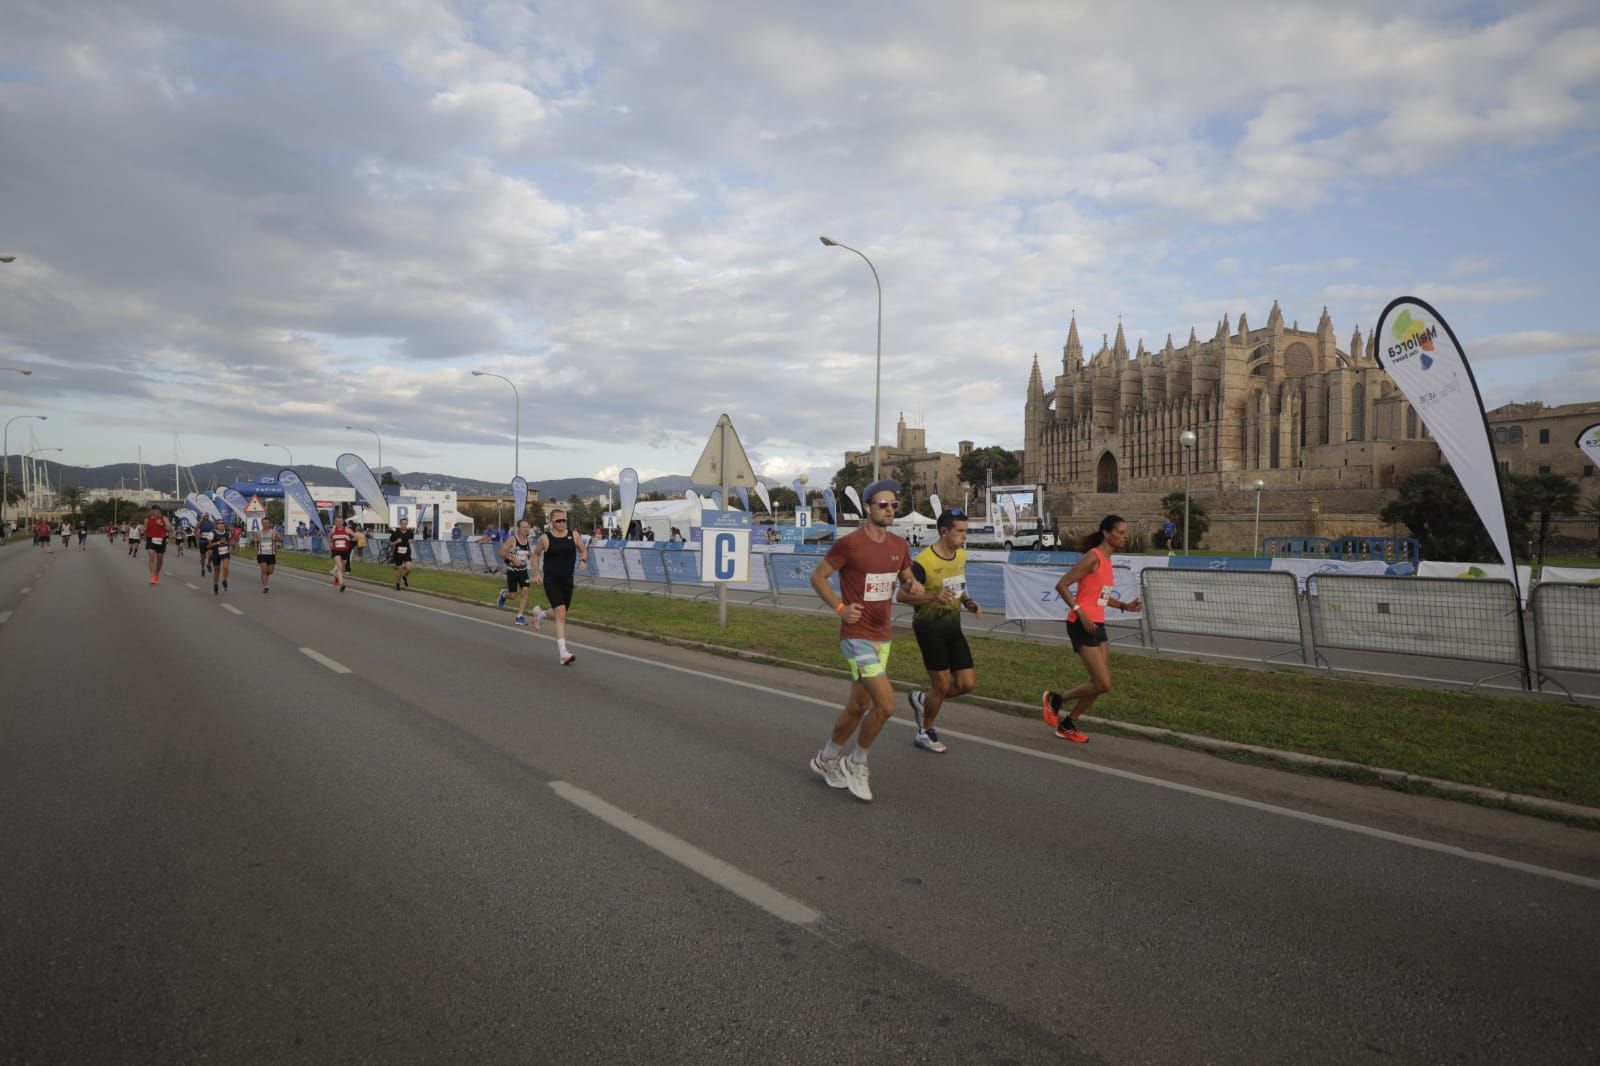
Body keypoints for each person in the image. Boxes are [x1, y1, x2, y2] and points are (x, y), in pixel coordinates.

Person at [806, 479, 923, 803]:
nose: (889, 509)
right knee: (886, 705)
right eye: (883, 504)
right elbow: (818, 577)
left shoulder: (899, 546)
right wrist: (840, 608)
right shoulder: (851, 544)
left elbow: (906, 582)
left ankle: (826, 759)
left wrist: (913, 588)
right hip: (856, 635)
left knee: (859, 706)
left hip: (882, 635)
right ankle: (855, 762)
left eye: (894, 505)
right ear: (868, 507)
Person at [1042, 514, 1143, 743]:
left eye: (1125, 533)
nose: (1124, 536)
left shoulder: (1107, 562)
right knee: (1103, 682)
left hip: (1097, 623)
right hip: (1080, 623)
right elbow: (1062, 585)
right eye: (1120, 532)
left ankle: (1068, 724)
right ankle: (1055, 699)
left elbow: (1101, 596)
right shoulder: (1093, 557)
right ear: (1106, 533)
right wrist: (1080, 611)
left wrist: (1124, 606)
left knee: (1100, 684)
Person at [898, 508, 983, 754]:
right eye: (960, 531)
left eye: (966, 531)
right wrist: (932, 595)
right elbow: (901, 595)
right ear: (944, 531)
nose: (965, 536)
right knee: (942, 685)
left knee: (967, 684)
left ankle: (923, 700)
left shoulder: (960, 555)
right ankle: (925, 731)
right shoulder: (923, 562)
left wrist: (968, 602)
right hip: (929, 629)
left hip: (953, 627)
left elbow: (958, 583)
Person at [532, 507, 588, 664]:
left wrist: (583, 560)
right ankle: (564, 654)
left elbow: (583, 551)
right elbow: (536, 555)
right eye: (559, 521)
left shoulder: (574, 535)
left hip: (567, 581)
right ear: (551, 522)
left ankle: (540, 614)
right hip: (551, 580)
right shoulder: (545, 539)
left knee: (560, 613)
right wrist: (536, 572)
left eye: (564, 520)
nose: (563, 523)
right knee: (561, 612)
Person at [497, 519, 544, 628]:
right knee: (513, 595)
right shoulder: (512, 540)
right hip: (512, 571)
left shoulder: (527, 540)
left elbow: (528, 554)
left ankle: (519, 616)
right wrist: (512, 559)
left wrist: (532, 560)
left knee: (525, 590)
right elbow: (501, 552)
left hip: (523, 571)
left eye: (527, 527)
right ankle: (504, 595)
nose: (526, 529)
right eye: (523, 527)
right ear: (518, 528)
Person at [143, 505, 170, 585]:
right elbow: (145, 529)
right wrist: (143, 530)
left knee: (160, 560)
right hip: (151, 539)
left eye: (158, 510)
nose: (156, 511)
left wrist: (162, 524)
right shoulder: (147, 519)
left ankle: (157, 573)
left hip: (161, 540)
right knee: (151, 556)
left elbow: (170, 529)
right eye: (154, 510)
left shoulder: (164, 518)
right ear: (151, 511)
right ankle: (153, 577)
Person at [328, 516, 354, 591]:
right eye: (337, 521)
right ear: (335, 522)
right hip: (336, 550)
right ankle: (341, 584)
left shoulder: (347, 529)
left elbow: (355, 537)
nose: (339, 523)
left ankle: (336, 577)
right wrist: (330, 543)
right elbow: (329, 536)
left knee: (342, 568)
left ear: (343, 522)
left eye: (340, 521)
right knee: (339, 566)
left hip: (345, 551)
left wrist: (350, 539)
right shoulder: (333, 530)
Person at [389, 516, 415, 589]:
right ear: (400, 524)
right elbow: (390, 543)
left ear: (407, 524)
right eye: (402, 523)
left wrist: (411, 541)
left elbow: (412, 540)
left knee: (409, 568)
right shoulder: (396, 533)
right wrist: (396, 542)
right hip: (398, 554)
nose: (404, 525)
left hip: (406, 553)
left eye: (405, 524)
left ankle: (404, 576)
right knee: (399, 569)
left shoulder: (410, 533)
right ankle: (397, 583)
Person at [257, 518, 281, 593]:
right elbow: (253, 539)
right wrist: (255, 539)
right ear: (261, 524)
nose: (265, 525)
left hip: (271, 554)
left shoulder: (273, 532)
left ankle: (265, 575)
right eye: (264, 523)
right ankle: (266, 587)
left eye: (267, 523)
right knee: (264, 570)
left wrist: (276, 538)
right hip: (262, 554)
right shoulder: (258, 532)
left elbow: (281, 539)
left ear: (270, 524)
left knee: (270, 572)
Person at [210, 518, 233, 594]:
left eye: (223, 523)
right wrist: (218, 542)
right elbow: (209, 545)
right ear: (216, 526)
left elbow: (229, 542)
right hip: (216, 553)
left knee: (226, 567)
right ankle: (215, 584)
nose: (222, 525)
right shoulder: (212, 534)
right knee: (217, 571)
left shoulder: (227, 533)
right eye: (219, 524)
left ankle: (225, 580)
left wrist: (230, 547)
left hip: (225, 552)